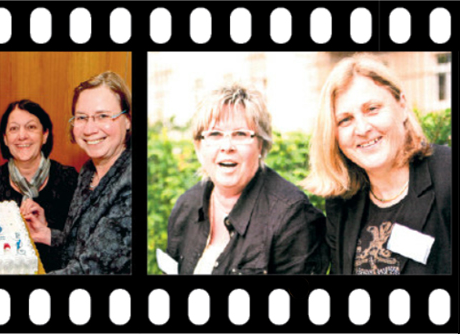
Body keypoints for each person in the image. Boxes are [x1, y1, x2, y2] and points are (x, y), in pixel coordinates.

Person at [302, 55, 451, 275]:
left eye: (372, 109)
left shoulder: (447, 175)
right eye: (345, 120)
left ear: (402, 105)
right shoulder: (341, 201)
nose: (362, 129)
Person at [165, 84, 327, 275]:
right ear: (199, 147)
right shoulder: (187, 205)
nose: (227, 146)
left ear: (261, 145)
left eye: (240, 134)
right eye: (215, 134)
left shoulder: (294, 217)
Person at [21, 71, 134, 275]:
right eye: (82, 117)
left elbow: (88, 270)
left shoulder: (130, 184)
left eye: (103, 116)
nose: (90, 128)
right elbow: (81, 244)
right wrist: (46, 234)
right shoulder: (88, 170)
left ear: (127, 120)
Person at [0, 99, 78, 272]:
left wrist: (46, 229)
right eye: (13, 128)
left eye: (31, 127)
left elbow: (80, 245)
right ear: (5, 138)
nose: (22, 135)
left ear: (45, 135)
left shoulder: (69, 179)